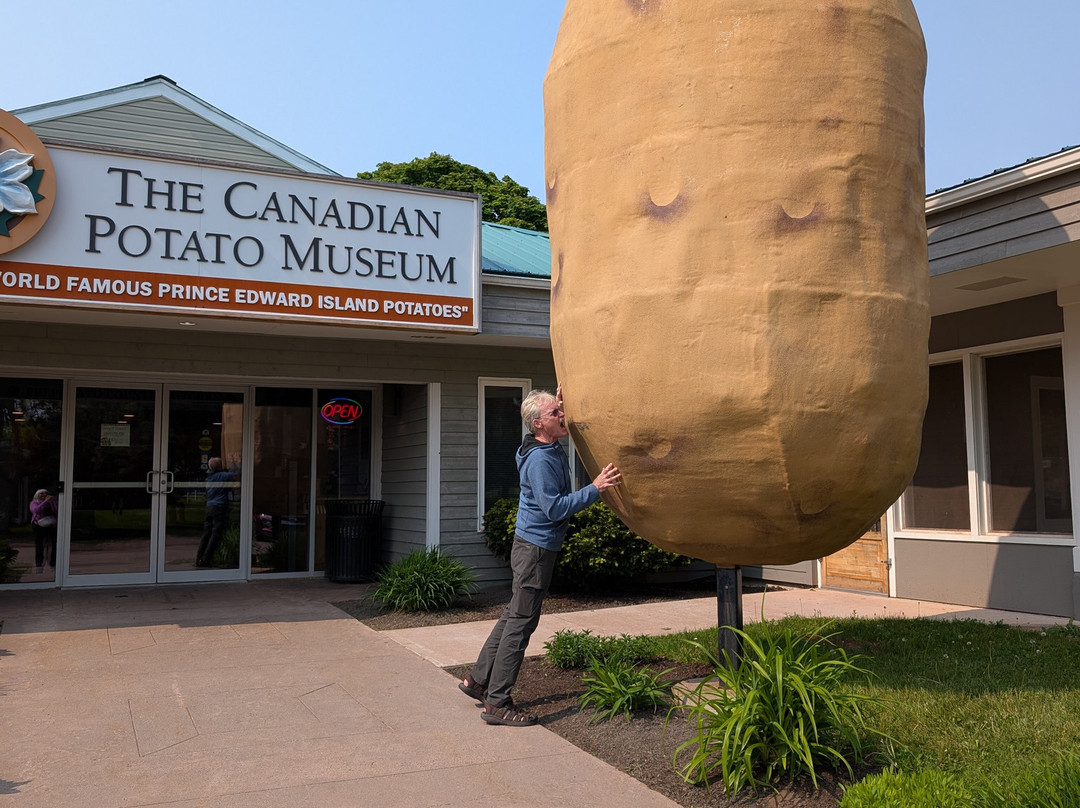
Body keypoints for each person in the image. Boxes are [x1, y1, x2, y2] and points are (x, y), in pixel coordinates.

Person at [460, 386, 622, 726]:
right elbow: (554, 508)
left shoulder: (544, 443)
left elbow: (553, 420)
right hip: (536, 549)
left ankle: (476, 681)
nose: (562, 416)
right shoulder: (540, 459)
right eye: (555, 414)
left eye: (560, 410)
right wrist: (596, 488)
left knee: (512, 615)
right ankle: (498, 703)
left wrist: (558, 402)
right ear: (538, 424)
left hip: (530, 545)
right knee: (521, 624)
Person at [195, 457, 239, 567]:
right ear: (220, 466)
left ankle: (199, 558)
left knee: (206, 534)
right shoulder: (221, 476)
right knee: (215, 534)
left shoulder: (208, 478)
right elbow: (236, 473)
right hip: (219, 508)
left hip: (209, 507)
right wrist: (235, 462)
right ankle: (206, 559)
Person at [29, 488, 58, 572]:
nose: (43, 495)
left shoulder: (51, 503)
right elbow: (36, 510)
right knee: (39, 544)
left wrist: (52, 502)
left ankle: (53, 563)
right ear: (37, 495)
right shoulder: (34, 503)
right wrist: (45, 502)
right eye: (41, 494)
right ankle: (39, 563)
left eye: (45, 494)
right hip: (38, 525)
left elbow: (56, 510)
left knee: (53, 544)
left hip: (51, 525)